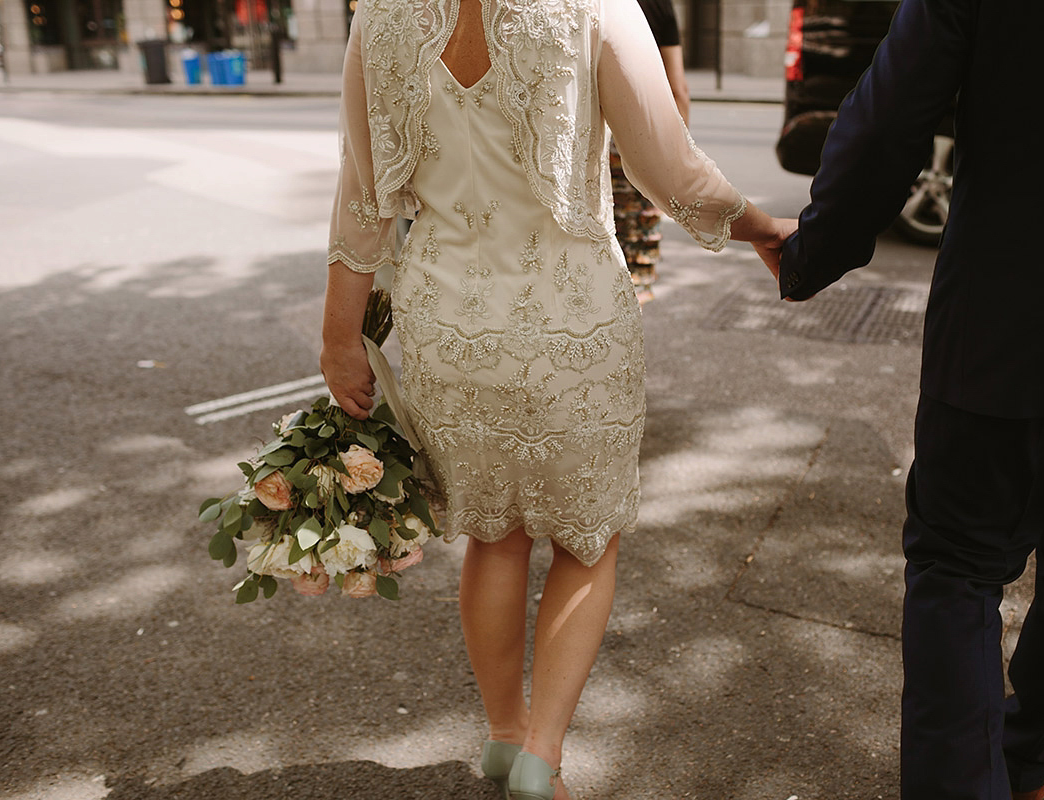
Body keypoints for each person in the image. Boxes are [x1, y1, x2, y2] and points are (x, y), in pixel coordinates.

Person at [321, 1, 795, 798]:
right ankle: (543, 755)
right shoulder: (595, 4)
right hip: (572, 325)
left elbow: (363, 195)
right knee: (586, 541)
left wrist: (340, 339)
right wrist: (758, 229)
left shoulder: (381, 15)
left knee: (494, 538)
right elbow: (671, 170)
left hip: (450, 328)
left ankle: (504, 736)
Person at [775, 1, 1044, 798]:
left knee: (958, 567)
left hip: (1008, 311)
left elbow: (889, 119)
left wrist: (817, 248)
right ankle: (1032, 750)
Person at [610, 0, 690, 304]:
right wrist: (678, 155)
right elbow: (677, 88)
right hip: (641, 140)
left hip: (594, 145)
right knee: (637, 262)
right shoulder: (658, 5)